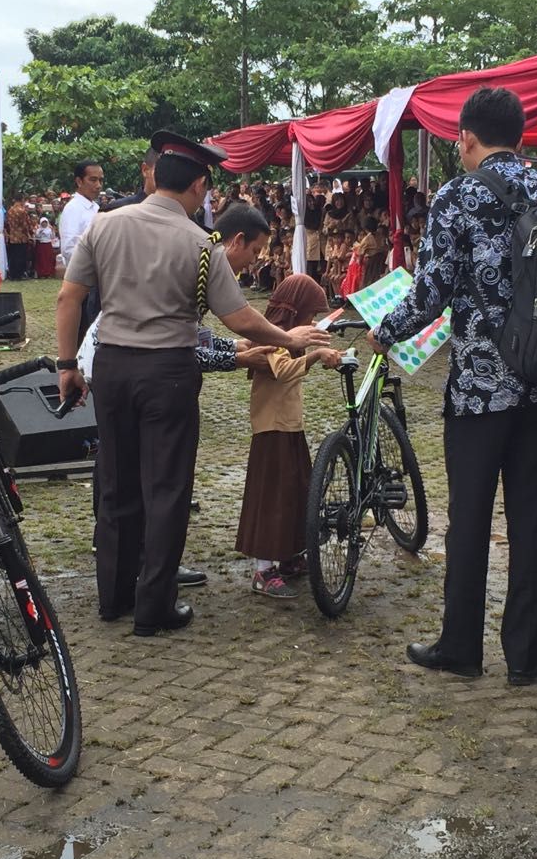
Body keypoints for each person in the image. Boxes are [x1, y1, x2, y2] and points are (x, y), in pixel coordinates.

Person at [54, 131, 330, 637]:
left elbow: (69, 298)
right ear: (200, 185)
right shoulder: (198, 244)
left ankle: (112, 598)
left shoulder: (104, 225)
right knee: (166, 489)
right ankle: (153, 606)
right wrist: (289, 340)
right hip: (168, 373)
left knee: (115, 483)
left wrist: (67, 364)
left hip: (112, 366)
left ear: (154, 176)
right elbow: (241, 319)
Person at [369, 87, 537, 684]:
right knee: (533, 519)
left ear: (466, 137)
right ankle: (525, 659)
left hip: (483, 389)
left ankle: (461, 648)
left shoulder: (457, 195)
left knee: (469, 518)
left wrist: (387, 331)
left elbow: (431, 291)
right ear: (519, 135)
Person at [236, 274, 341, 598]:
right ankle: (263, 569)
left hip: (289, 426)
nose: (311, 322)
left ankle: (289, 557)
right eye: (310, 315)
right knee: (271, 500)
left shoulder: (287, 336)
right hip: (271, 429)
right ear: (296, 312)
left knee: (296, 493)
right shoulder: (270, 339)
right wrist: (313, 355)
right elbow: (282, 369)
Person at [58, 161, 103, 264]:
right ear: (79, 181)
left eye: (101, 180)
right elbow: (69, 249)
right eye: (93, 180)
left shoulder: (95, 207)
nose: (98, 185)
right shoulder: (73, 208)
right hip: (83, 275)